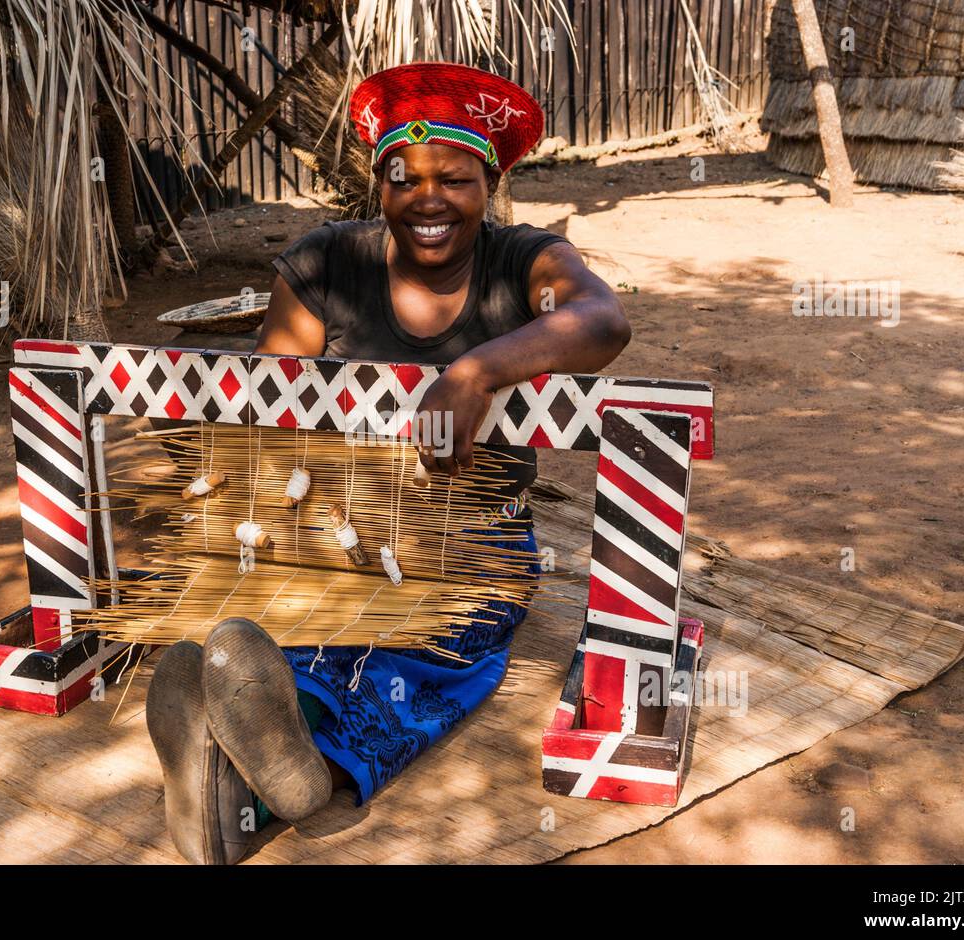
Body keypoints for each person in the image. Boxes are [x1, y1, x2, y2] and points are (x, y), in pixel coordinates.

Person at [145, 62, 631, 864]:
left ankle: (253, 775)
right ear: (378, 183)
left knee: (433, 644)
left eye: (458, 179)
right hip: (336, 530)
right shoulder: (325, 264)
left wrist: (477, 370)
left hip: (474, 539)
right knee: (298, 626)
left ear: (491, 183)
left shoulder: (524, 262)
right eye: (404, 177)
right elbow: (269, 415)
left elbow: (602, 319)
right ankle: (274, 764)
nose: (430, 198)